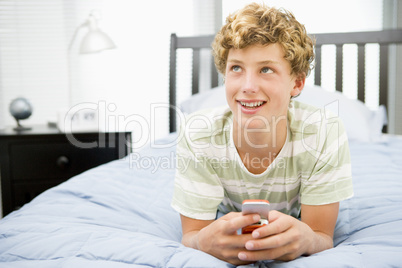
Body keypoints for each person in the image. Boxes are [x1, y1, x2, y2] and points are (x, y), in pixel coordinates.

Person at [171, 2, 353, 265]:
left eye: (266, 69)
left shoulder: (324, 131)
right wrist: (201, 241)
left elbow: (322, 236)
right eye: (236, 68)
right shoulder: (197, 133)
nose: (247, 87)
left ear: (297, 82)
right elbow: (192, 236)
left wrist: (308, 239)